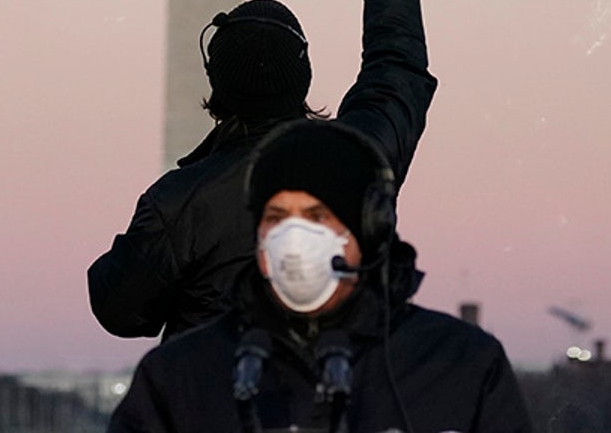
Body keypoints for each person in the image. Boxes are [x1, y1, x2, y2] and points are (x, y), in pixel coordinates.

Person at [88, 0, 437, 340]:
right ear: (303, 76)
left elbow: (122, 312)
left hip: (220, 409)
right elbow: (397, 64)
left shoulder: (178, 203)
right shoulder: (361, 158)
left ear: (215, 87)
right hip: (343, 405)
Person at [107, 121, 532, 433]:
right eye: (276, 218)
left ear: (369, 230)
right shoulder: (180, 376)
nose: (294, 239)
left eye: (317, 217)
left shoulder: (462, 365)